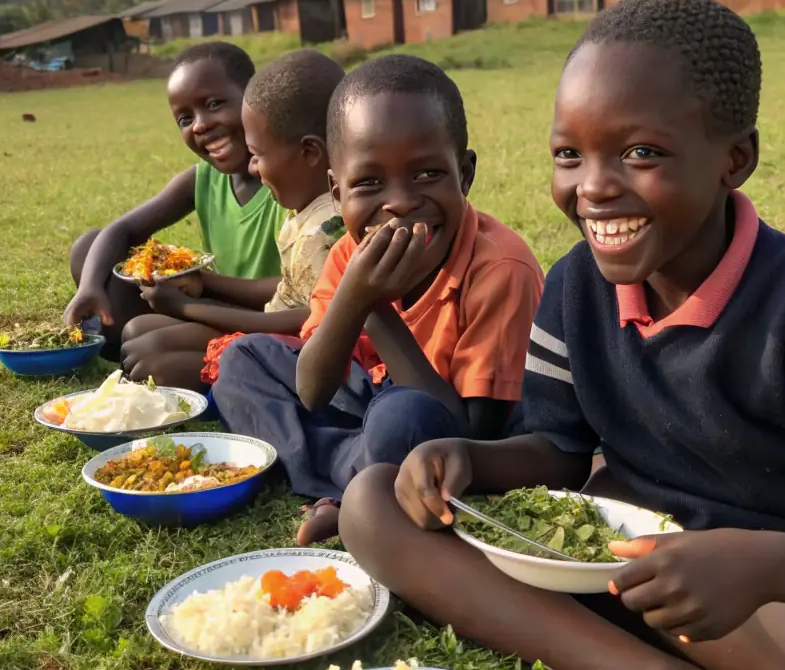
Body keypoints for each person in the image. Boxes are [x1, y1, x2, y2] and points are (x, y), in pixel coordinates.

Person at [338, 0, 785, 670]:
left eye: (640, 152)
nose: (594, 188)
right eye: (570, 154)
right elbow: (560, 452)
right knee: (374, 502)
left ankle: (705, 667)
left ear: (733, 159)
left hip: (773, 607)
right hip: (607, 570)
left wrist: (758, 568)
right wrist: (475, 459)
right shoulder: (576, 288)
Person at [213, 54, 544, 544]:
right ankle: (355, 481)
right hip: (372, 397)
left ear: (465, 173)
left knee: (402, 417)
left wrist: (379, 314)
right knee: (242, 360)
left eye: (427, 174)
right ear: (336, 189)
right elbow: (311, 388)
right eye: (368, 183)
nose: (400, 203)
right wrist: (357, 296)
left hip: (444, 426)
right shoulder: (351, 250)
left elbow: (474, 436)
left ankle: (356, 488)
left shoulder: (500, 269)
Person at [64, 42, 287, 381]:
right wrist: (89, 289)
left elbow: (300, 289)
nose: (199, 125)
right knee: (89, 249)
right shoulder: (202, 179)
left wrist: (201, 283)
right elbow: (121, 230)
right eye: (185, 118)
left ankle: (199, 362)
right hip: (214, 305)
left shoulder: (288, 181)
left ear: (254, 97)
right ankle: (117, 340)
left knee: (143, 341)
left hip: (270, 316)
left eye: (214, 104)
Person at [168, 48, 347, 383]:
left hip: (293, 357)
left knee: (153, 359)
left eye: (256, 155)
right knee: (144, 338)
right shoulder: (303, 216)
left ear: (309, 152)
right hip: (271, 337)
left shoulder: (324, 230)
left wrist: (186, 308)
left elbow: (307, 322)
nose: (251, 166)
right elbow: (286, 296)